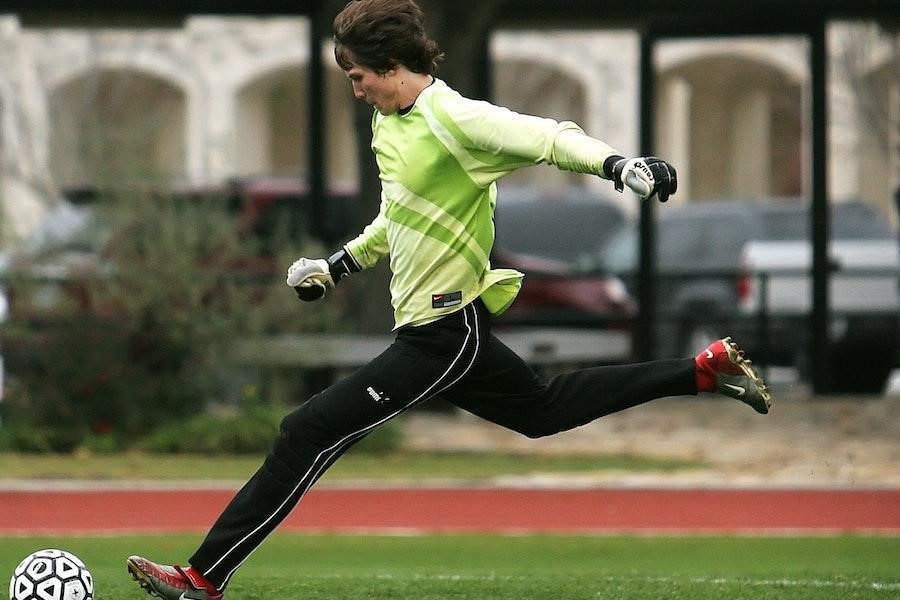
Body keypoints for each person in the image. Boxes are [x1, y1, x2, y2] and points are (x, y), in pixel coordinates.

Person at [126, 1, 771, 598]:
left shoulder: (456, 119)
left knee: (306, 430)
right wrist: (337, 265)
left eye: (357, 75)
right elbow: (397, 217)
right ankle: (701, 369)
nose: (354, 89)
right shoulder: (388, 122)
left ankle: (202, 577)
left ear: (390, 64)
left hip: (440, 333)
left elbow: (548, 136)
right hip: (435, 333)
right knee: (542, 411)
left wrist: (619, 166)